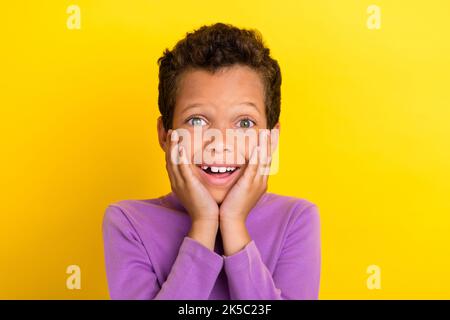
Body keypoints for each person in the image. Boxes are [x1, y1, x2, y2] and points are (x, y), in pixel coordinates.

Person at [102, 22, 321, 300]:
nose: (220, 144)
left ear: (271, 139)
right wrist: (204, 223)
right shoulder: (127, 223)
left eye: (244, 122)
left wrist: (233, 223)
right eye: (197, 120)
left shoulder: (296, 219)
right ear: (165, 135)